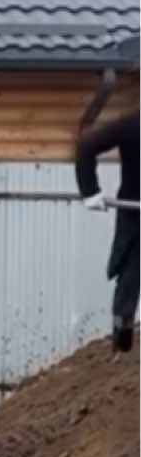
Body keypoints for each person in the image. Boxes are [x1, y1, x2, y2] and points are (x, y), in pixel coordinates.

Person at [75, 106, 140, 355]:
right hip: (135, 211)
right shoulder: (133, 125)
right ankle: (122, 340)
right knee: (130, 273)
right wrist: (90, 191)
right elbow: (86, 146)